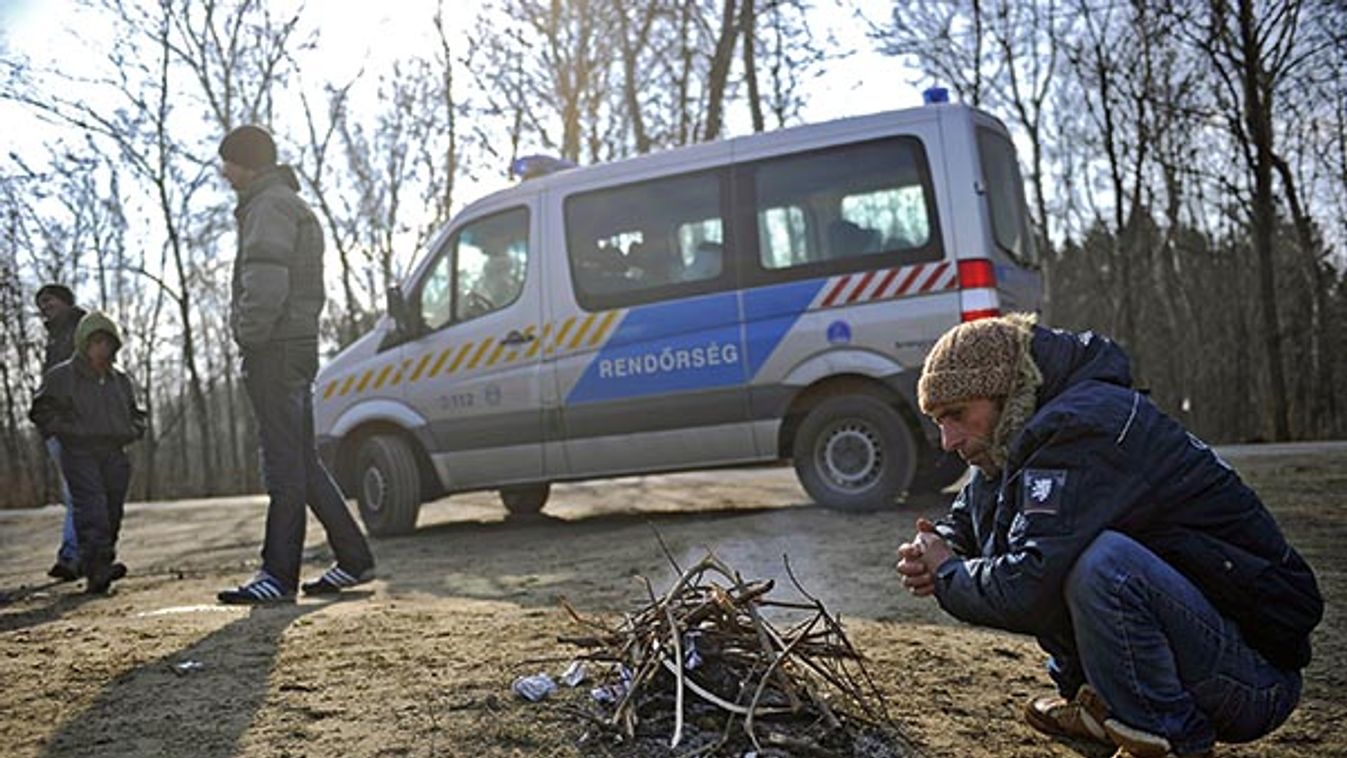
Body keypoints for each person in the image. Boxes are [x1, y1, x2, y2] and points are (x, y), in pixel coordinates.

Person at [896, 314, 1321, 758]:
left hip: (1254, 679)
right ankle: (1102, 707)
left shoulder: (1085, 425)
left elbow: (1026, 588)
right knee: (1070, 549)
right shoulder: (1013, 433)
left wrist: (946, 571)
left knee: (1102, 565)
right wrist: (939, 543)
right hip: (1207, 652)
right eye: (938, 421)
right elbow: (970, 513)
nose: (947, 440)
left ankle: (1168, 735)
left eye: (956, 415)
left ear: (1006, 390)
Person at [215, 124, 375, 605]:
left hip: (276, 349)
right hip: (295, 346)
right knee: (302, 461)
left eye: (228, 162)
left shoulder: (269, 205)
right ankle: (354, 558)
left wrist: (248, 334)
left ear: (246, 162)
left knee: (283, 465)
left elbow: (265, 283)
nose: (223, 172)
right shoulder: (283, 203)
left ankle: (278, 575)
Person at [29, 312, 145, 595]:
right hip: (78, 451)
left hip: (115, 451)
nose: (102, 348)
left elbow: (136, 413)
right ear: (84, 343)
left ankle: (104, 562)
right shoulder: (62, 376)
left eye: (108, 342)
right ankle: (95, 569)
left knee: (112, 509)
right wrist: (68, 431)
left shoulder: (120, 380)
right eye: (96, 342)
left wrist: (133, 428)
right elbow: (41, 411)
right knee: (90, 507)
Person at [34, 282, 88, 581]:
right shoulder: (54, 339)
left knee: (82, 492)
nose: (44, 305)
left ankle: (76, 556)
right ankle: (76, 556)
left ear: (66, 302)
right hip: (60, 427)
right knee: (76, 492)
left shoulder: (82, 329)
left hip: (82, 427)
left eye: (49, 300)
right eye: (40, 302)